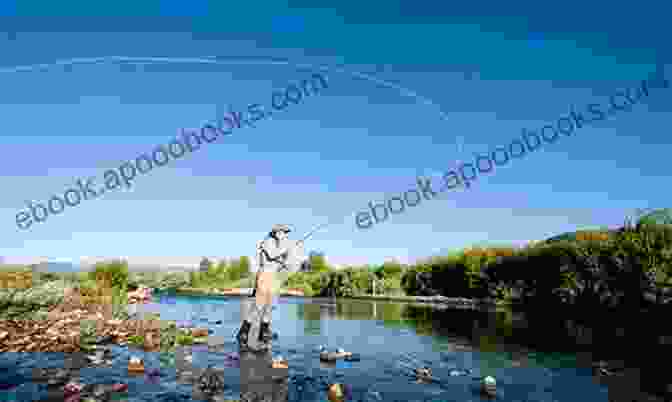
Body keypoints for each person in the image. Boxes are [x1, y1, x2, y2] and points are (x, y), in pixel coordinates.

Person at [237, 224, 303, 346]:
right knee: (258, 305)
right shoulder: (267, 242)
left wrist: (289, 254)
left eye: (285, 233)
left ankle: (264, 332)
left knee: (269, 306)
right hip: (264, 275)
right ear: (276, 232)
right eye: (283, 232)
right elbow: (272, 255)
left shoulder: (280, 245)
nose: (284, 235)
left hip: (274, 276)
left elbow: (284, 262)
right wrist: (285, 250)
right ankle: (243, 331)